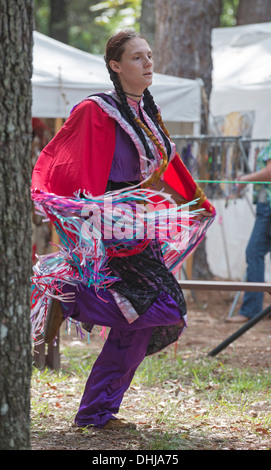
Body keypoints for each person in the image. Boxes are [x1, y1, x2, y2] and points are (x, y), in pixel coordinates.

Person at [31, 30, 215, 429]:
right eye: (137, 57)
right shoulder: (96, 109)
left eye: (149, 56)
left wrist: (196, 202)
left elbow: (167, 167)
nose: (148, 63)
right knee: (163, 308)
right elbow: (62, 160)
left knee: (143, 323)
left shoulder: (149, 112)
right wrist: (80, 213)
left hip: (139, 224)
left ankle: (96, 412)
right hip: (109, 226)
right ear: (115, 65)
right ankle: (71, 295)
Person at [226, 140, 271, 323]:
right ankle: (253, 310)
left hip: (268, 206)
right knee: (255, 253)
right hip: (265, 204)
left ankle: (252, 310)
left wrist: (243, 179)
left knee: (253, 253)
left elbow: (269, 173)